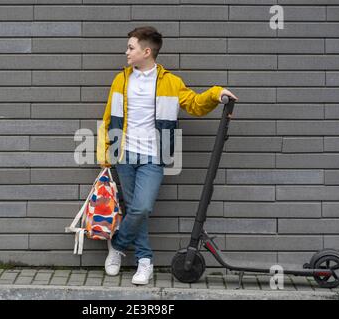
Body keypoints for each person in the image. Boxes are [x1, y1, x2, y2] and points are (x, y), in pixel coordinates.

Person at [96, 26, 238, 285]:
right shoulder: (121, 79)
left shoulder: (171, 82)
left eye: (131, 47)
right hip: (124, 155)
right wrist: (106, 152)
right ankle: (145, 261)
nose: (126, 52)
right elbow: (108, 117)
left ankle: (116, 245)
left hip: (153, 156)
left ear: (146, 51)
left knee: (141, 208)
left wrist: (216, 93)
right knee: (135, 211)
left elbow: (194, 104)